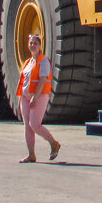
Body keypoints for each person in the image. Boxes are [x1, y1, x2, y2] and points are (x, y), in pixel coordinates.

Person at [16, 34, 61, 163]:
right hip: (26, 96)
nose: (33, 45)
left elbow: (42, 80)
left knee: (35, 125)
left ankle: (53, 143)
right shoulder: (27, 62)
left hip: (39, 96)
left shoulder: (44, 61)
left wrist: (35, 97)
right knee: (27, 127)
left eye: (35, 43)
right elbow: (24, 82)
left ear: (40, 45)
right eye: (31, 43)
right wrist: (21, 99)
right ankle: (31, 155)